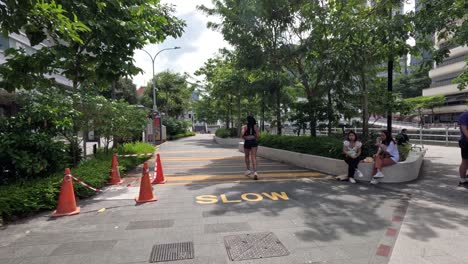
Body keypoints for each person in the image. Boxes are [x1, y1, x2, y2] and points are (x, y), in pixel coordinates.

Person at [241, 116, 260, 180]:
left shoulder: (244, 127)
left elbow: (242, 135)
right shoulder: (255, 127)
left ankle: (248, 170)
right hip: (253, 141)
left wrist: (245, 137)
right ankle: (255, 172)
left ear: (247, 121)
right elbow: (258, 135)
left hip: (247, 142)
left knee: (247, 156)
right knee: (253, 156)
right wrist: (254, 137)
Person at [458, 111, 468, 186]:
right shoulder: (465, 115)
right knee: (465, 161)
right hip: (466, 142)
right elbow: (465, 130)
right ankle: (462, 179)